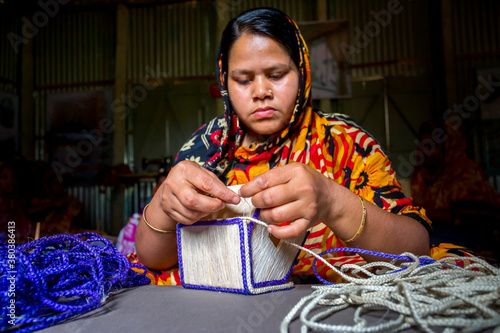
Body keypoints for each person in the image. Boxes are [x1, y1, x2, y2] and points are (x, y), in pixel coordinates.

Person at [130, 7, 473, 285]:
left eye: (277, 74)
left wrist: (332, 203)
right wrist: (162, 205)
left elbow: (415, 248)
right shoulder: (205, 149)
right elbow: (153, 258)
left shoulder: (345, 143)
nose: (261, 91)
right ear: (224, 80)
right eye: (243, 79)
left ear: (303, 71)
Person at [412, 120, 500, 259]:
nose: (424, 151)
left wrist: (421, 209)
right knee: (414, 236)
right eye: (422, 146)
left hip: (475, 235)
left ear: (446, 146)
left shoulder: (466, 172)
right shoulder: (424, 175)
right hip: (444, 231)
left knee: (419, 241)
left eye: (430, 146)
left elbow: (467, 219)